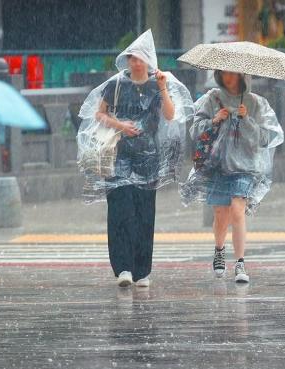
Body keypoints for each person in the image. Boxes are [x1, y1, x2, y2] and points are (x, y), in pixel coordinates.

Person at [76, 30, 193, 288]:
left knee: (143, 212)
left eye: (140, 58)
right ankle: (123, 268)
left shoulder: (157, 83)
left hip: (148, 156)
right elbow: (99, 115)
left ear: (149, 60)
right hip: (118, 155)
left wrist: (163, 87)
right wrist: (120, 125)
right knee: (120, 211)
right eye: (132, 58)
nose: (135, 62)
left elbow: (171, 115)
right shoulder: (116, 84)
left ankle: (142, 271)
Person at [185, 71, 283, 283]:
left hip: (246, 166)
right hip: (218, 165)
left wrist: (246, 120)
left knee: (237, 210)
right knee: (221, 214)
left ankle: (240, 263)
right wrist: (214, 120)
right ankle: (219, 250)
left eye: (233, 74)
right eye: (224, 73)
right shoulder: (212, 98)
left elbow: (267, 138)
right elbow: (196, 130)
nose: (228, 77)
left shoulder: (256, 103)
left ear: (242, 75)